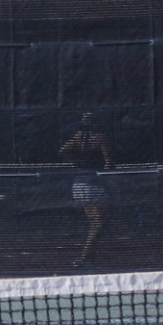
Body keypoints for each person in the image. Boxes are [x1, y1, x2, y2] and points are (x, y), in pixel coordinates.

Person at [60, 112, 113, 268]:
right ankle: (83, 259)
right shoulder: (98, 138)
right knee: (98, 222)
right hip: (91, 184)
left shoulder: (78, 137)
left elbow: (63, 150)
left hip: (83, 184)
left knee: (101, 221)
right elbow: (109, 162)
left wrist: (76, 162)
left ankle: (90, 258)